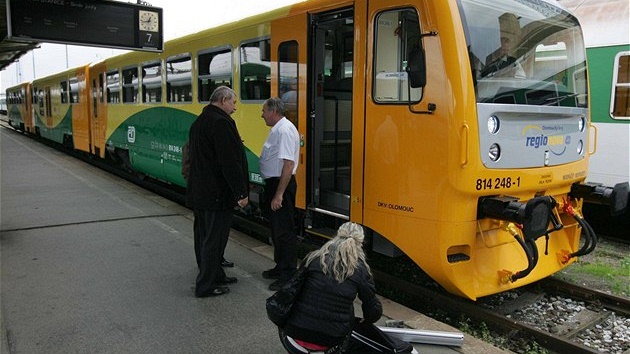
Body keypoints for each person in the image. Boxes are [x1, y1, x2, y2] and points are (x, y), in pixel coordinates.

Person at [186, 86, 249, 298]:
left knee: (204, 237)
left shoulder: (200, 122)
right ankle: (205, 285)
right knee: (215, 240)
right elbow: (228, 162)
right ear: (223, 100)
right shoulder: (220, 123)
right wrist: (241, 193)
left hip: (201, 192)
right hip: (216, 194)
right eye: (233, 103)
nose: (235, 107)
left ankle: (216, 274)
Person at [281, 222, 384, 352]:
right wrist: (367, 319)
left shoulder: (314, 258)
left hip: (295, 334)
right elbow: (374, 310)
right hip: (331, 339)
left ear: (336, 236)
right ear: (360, 243)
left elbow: (291, 289)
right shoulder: (361, 270)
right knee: (347, 307)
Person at [258, 97, 300, 291]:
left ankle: (288, 274)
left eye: (264, 111)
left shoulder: (284, 130)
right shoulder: (278, 129)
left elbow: (288, 164)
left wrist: (279, 194)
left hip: (280, 184)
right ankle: (280, 266)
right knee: (277, 230)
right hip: (274, 183)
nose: (262, 114)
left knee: (284, 232)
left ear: (273, 111)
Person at [182, 141, 235, 269]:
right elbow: (188, 169)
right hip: (204, 196)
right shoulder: (197, 144)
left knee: (213, 233)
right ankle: (206, 265)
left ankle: (216, 260)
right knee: (206, 232)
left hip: (207, 195)